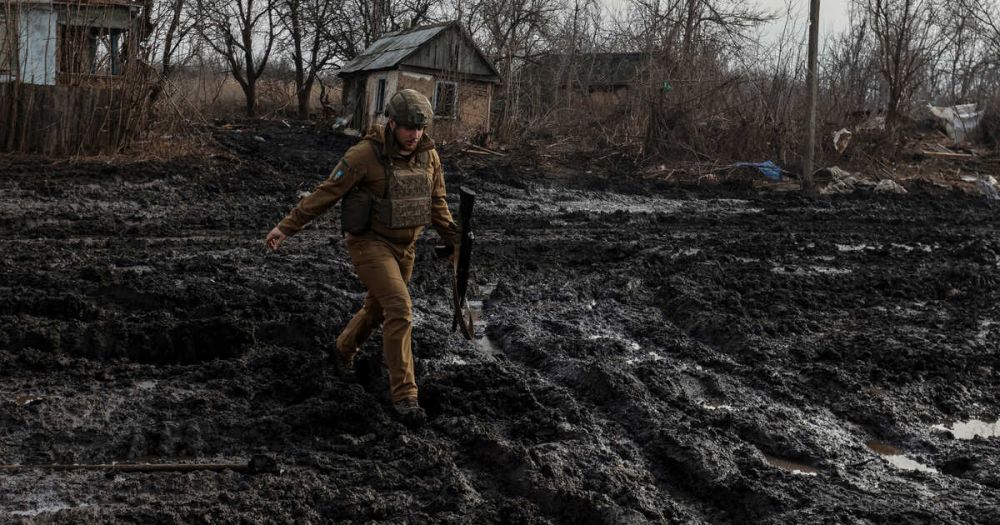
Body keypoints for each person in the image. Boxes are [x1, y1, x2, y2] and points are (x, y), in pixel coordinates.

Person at [264, 89, 457, 425]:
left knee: (378, 308)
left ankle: (342, 350)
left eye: (420, 128)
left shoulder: (429, 156)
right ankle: (405, 397)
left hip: (406, 247)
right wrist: (287, 227)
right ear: (392, 123)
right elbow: (327, 192)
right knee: (400, 308)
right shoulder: (364, 154)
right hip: (370, 243)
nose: (415, 135)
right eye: (408, 127)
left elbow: (437, 203)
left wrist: (455, 241)